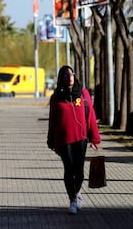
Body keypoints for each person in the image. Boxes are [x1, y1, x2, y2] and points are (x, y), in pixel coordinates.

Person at [47, 65, 101, 214]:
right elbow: (53, 120)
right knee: (69, 170)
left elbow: (90, 116)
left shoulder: (83, 94)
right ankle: (72, 200)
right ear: (61, 79)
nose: (70, 77)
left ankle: (77, 193)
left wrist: (95, 138)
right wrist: (50, 140)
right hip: (63, 139)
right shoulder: (56, 97)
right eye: (66, 76)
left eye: (72, 74)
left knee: (79, 171)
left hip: (81, 139)